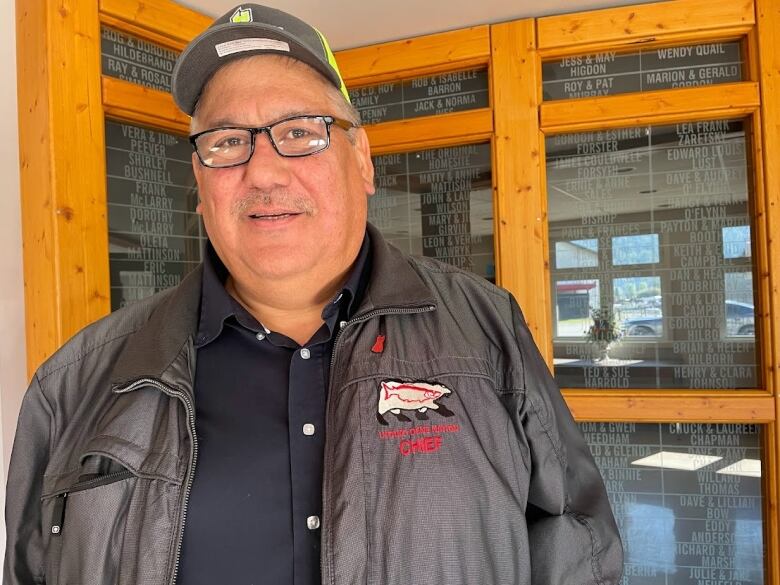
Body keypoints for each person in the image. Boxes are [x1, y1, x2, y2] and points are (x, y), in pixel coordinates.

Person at [4, 4, 623, 584]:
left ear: (363, 161)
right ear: (200, 183)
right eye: (226, 142)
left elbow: (578, 547)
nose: (265, 171)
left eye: (301, 132)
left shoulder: (488, 331)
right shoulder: (75, 384)